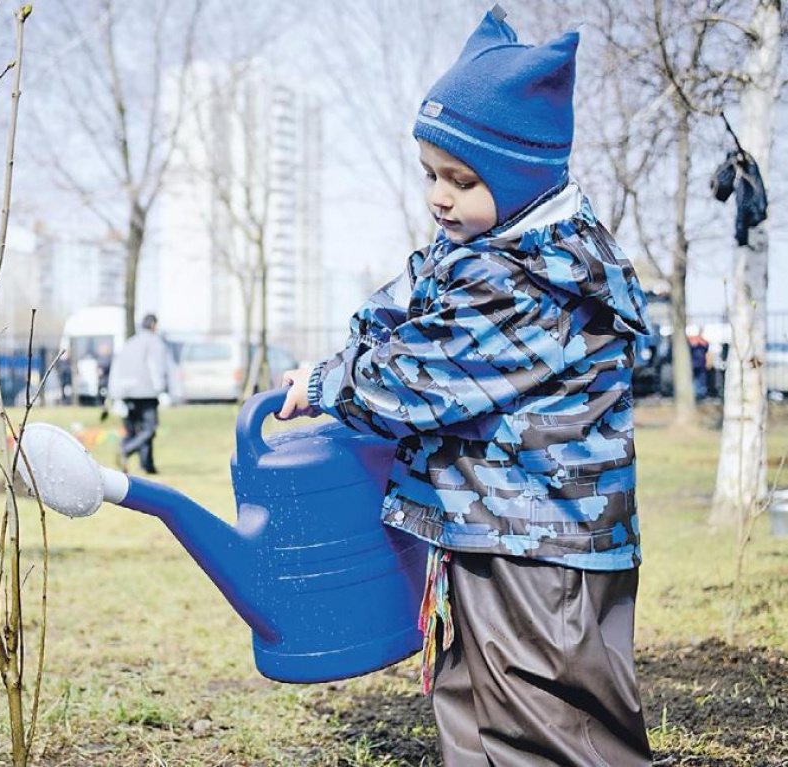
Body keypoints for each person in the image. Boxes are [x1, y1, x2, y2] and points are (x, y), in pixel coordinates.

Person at [279, 8, 653, 764]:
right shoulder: (481, 250)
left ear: (521, 179)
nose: (438, 198)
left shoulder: (530, 284)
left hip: (543, 547)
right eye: (430, 175)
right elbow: (407, 295)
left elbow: (415, 382)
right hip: (486, 527)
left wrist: (328, 381)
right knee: (472, 699)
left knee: (546, 717)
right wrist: (364, 332)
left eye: (462, 179)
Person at [106, 314, 179, 474]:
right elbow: (156, 366)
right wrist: (161, 388)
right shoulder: (154, 342)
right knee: (149, 429)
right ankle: (125, 450)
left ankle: (147, 465)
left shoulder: (130, 342)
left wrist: (115, 393)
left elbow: (117, 365)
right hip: (145, 392)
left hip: (125, 392)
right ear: (153, 325)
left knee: (134, 430)